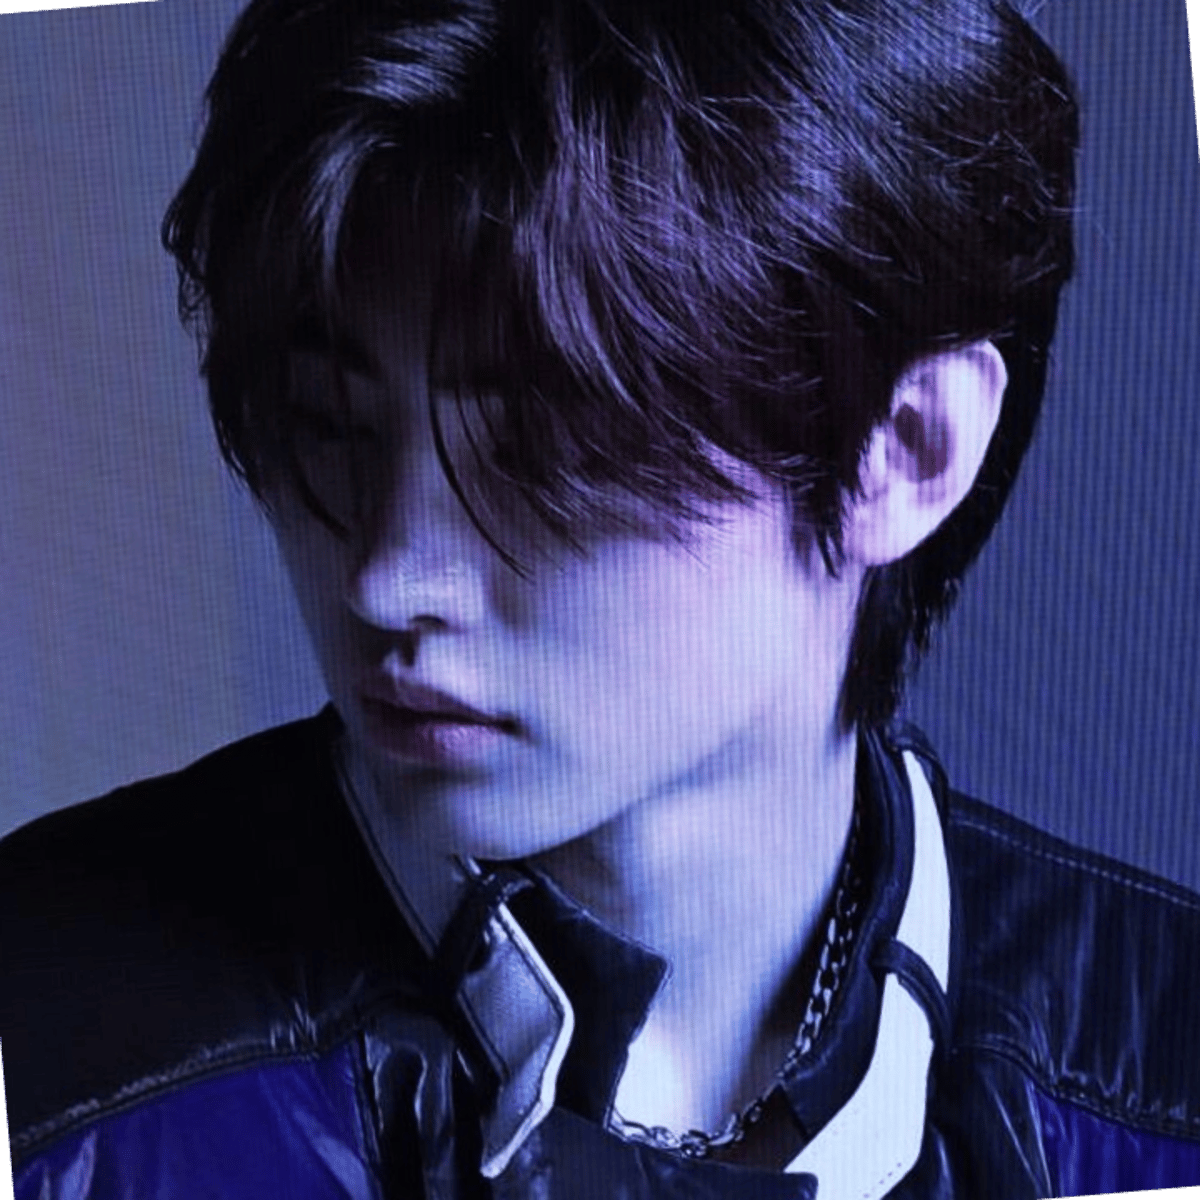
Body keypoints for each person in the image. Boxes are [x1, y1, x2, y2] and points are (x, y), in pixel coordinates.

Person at [3, 0, 1199, 1196]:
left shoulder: (1162, 1085)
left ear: (908, 448)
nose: (386, 576)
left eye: (545, 455)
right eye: (329, 426)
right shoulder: (52, 1069)